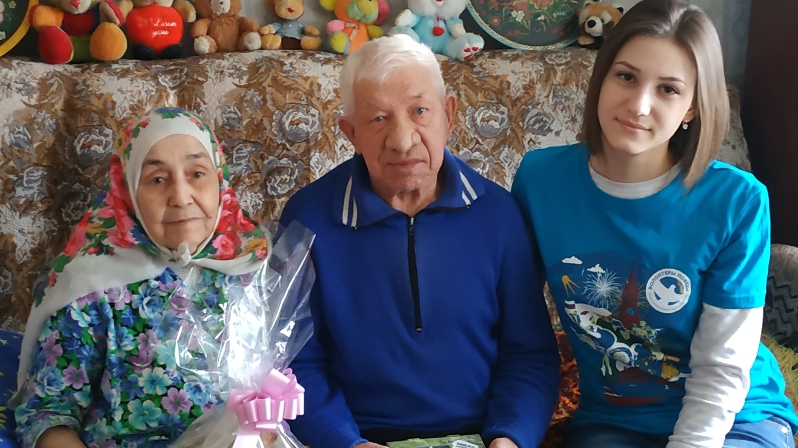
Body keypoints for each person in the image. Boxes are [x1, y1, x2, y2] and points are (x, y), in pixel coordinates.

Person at [510, 1, 798, 447]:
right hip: (614, 421)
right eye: (626, 77)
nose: (639, 105)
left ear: (692, 107)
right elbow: (509, 311)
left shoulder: (737, 201)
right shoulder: (539, 179)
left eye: (668, 89)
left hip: (733, 417)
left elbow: (723, 364)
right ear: (602, 77)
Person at [279, 34, 560, 448]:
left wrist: (509, 438)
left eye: (420, 111)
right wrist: (344, 441)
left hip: (484, 435)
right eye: (378, 119)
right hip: (358, 436)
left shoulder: (498, 214)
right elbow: (295, 360)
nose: (402, 139)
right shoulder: (308, 219)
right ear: (350, 133)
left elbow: (529, 353)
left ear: (449, 115)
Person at [11, 107, 273, 448]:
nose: (181, 198)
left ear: (220, 182)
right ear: (128, 193)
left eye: (197, 173)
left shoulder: (248, 268)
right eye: (158, 179)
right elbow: (47, 414)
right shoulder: (91, 289)